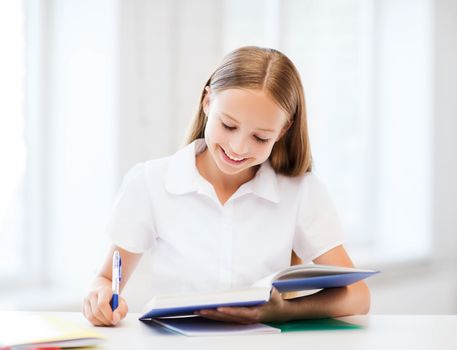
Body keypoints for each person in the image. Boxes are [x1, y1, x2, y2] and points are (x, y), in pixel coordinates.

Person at [82, 46, 370, 326]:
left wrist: (279, 311)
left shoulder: (301, 190)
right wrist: (100, 296)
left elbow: (358, 296)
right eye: (228, 126)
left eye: (260, 138)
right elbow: (106, 279)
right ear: (207, 101)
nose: (238, 147)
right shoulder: (150, 182)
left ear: (283, 131)